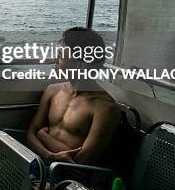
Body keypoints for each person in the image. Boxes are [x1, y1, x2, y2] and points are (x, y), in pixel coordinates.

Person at [26, 27, 118, 166]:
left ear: (81, 64)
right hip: (40, 162)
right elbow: (30, 135)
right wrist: (50, 155)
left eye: (61, 56)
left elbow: (81, 161)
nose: (56, 60)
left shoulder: (105, 108)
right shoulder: (52, 91)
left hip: (70, 178)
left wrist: (43, 135)